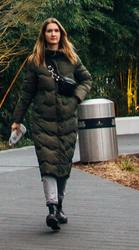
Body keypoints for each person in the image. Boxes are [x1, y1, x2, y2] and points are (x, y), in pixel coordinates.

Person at [5, 17, 92, 231]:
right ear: (43, 35)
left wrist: (76, 99)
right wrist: (17, 120)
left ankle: (59, 205)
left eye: (56, 31)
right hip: (43, 121)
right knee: (48, 164)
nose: (53, 34)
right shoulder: (36, 61)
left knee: (63, 165)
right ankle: (52, 208)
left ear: (61, 34)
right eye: (49, 31)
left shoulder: (72, 59)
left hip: (67, 121)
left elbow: (86, 80)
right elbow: (26, 93)